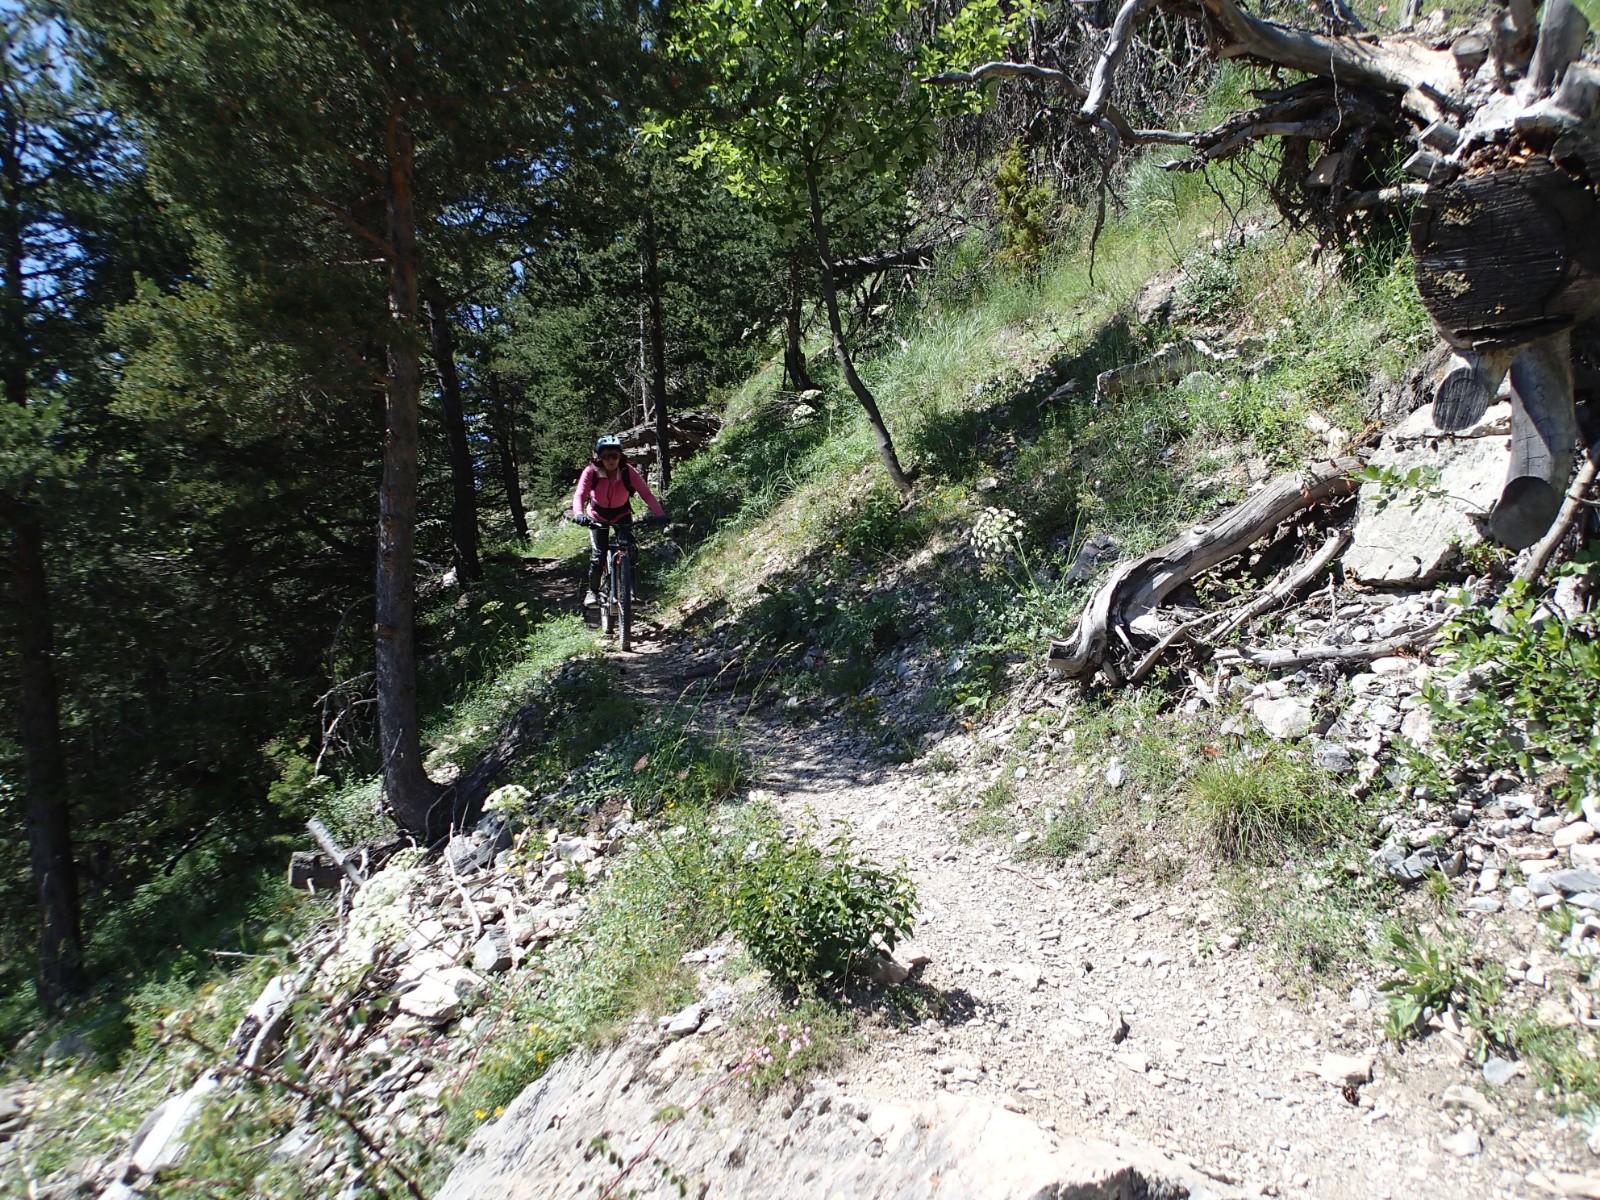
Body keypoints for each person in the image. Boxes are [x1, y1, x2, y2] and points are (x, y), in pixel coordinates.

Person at [571, 435, 665, 606]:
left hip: (622, 514)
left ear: (620, 456)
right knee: (598, 555)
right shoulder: (591, 472)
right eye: (606, 456)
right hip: (597, 515)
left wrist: (659, 514)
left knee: (630, 551)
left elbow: (646, 494)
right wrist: (578, 513)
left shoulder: (628, 472)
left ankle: (631, 593)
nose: (610, 460)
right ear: (598, 457)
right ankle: (592, 592)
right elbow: (580, 494)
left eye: (614, 455)